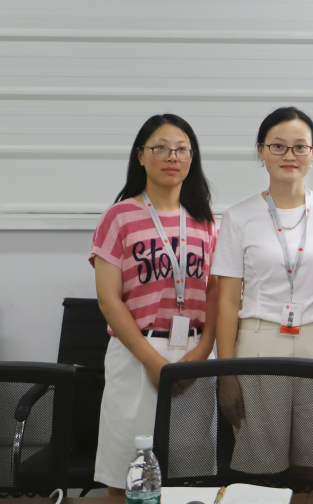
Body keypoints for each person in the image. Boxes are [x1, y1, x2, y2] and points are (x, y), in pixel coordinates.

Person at [210, 107, 313, 477]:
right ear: (261, 151)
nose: (289, 155)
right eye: (278, 146)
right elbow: (227, 301)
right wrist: (226, 372)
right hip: (259, 343)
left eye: (299, 147)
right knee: (262, 469)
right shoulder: (238, 217)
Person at [90, 114, 219, 493]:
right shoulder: (119, 217)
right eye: (160, 148)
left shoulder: (205, 221)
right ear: (141, 156)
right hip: (136, 353)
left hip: (194, 354)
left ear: (192, 158)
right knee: (128, 478)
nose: (172, 157)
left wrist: (203, 351)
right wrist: (151, 360)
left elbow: (216, 292)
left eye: (182, 149)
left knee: (191, 477)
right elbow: (108, 299)